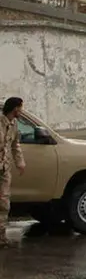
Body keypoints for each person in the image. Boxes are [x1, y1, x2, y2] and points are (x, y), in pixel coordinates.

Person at [0, 98, 26, 248]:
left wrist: (20, 162)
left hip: (4, 169)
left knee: (4, 202)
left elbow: (15, 145)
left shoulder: (14, 125)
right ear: (15, 109)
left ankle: (1, 237)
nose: (21, 111)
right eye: (20, 108)